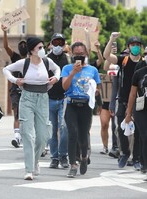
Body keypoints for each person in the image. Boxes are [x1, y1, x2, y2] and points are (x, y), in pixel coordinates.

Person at [3, 37, 60, 180]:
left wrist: (56, 78)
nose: (42, 50)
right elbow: (6, 69)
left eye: (43, 47)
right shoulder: (24, 63)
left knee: (42, 136)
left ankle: (35, 162)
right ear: (31, 50)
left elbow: (57, 69)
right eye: (39, 48)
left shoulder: (47, 61)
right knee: (28, 134)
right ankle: (29, 169)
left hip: (43, 98)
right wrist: (16, 80)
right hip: (27, 98)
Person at [61, 41, 101, 178]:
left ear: (86, 54)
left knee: (83, 136)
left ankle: (84, 157)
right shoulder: (67, 68)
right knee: (72, 133)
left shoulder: (92, 70)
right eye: (76, 54)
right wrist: (73, 72)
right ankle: (73, 164)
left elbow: (97, 87)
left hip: (85, 106)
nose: (79, 57)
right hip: (71, 104)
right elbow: (64, 87)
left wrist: (95, 91)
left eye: (81, 54)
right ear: (72, 54)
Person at [103, 33, 142, 170]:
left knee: (138, 132)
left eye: (138, 45)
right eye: (133, 45)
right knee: (120, 128)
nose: (135, 47)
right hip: (123, 100)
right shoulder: (123, 60)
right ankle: (124, 153)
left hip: (140, 102)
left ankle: (136, 159)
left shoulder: (143, 62)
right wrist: (111, 39)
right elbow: (107, 56)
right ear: (128, 47)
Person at [1, 24, 28, 148]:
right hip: (16, 90)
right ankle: (17, 138)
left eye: (25, 45)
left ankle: (25, 136)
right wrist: (5, 32)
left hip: (28, 91)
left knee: (27, 115)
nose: (23, 46)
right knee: (17, 113)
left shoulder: (33, 60)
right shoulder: (15, 57)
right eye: (21, 45)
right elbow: (6, 46)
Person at [46, 33, 70, 169]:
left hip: (64, 98)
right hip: (49, 98)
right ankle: (54, 157)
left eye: (61, 43)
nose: (58, 46)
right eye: (55, 42)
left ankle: (63, 155)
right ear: (51, 44)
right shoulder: (46, 60)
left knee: (64, 128)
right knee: (52, 130)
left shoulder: (67, 59)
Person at [125, 61, 147, 178]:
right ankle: (144, 164)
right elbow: (132, 94)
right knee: (145, 136)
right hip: (141, 109)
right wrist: (129, 113)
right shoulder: (139, 73)